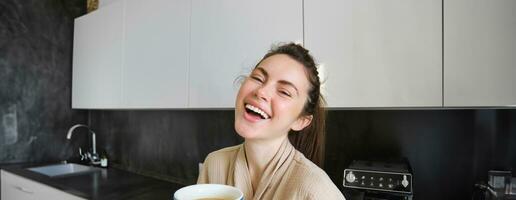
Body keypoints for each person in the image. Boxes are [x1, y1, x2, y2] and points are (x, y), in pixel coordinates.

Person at [197, 43, 345, 200]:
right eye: (258, 78)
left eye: (284, 92)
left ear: (301, 121)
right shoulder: (214, 165)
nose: (261, 92)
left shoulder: (316, 191)